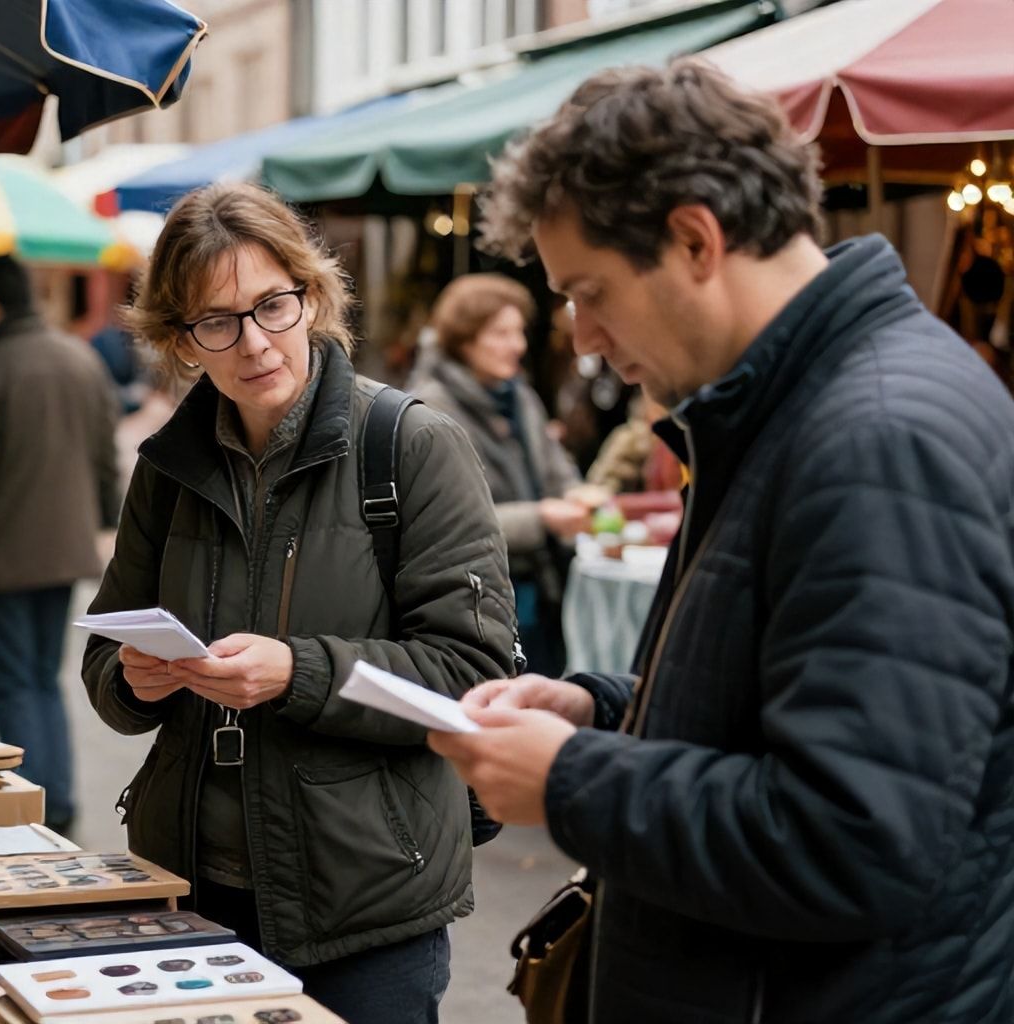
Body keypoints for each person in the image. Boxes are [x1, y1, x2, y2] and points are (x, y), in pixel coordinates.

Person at [427, 61, 1014, 1024]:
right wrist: (595, 709)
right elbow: (772, 703)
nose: (579, 337)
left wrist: (572, 779)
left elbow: (854, 839)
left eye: (591, 291)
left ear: (695, 238)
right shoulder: (797, 406)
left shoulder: (874, 437)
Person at [81, 182, 518, 1024]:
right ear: (179, 340)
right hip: (191, 889)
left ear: (311, 296)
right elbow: (105, 657)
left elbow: (471, 677)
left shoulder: (410, 446)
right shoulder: (166, 467)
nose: (252, 343)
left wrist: (300, 672)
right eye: (216, 321)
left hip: (364, 901)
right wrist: (135, 680)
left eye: (271, 306)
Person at [0, 255, 119, 835]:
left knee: (15, 687)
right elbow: (106, 459)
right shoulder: (78, 358)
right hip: (63, 553)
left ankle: (34, 807)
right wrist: (105, 520)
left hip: (1, 557)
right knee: (43, 680)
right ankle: (57, 802)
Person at [411, 273, 596, 676]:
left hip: (544, 585)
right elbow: (449, 524)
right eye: (500, 333)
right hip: (479, 601)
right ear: (464, 338)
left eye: (519, 332)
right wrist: (542, 517)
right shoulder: (431, 411)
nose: (518, 345)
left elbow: (557, 471)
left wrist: (576, 495)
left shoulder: (520, 396)